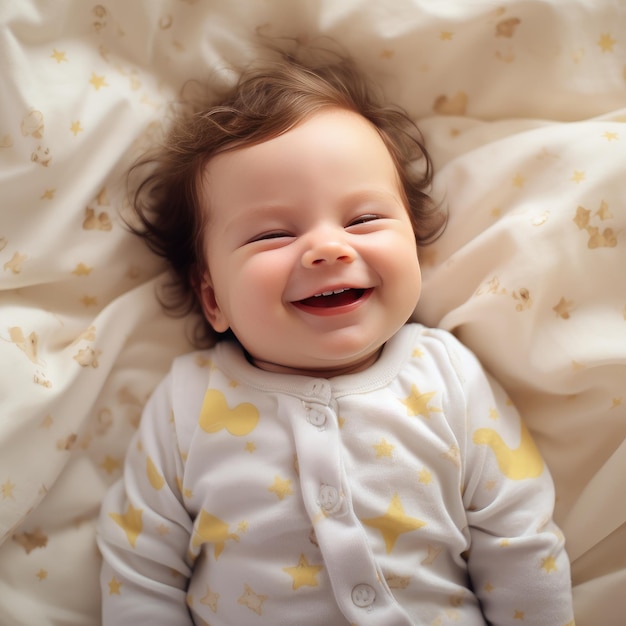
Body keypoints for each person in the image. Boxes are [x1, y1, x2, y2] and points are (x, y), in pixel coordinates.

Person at [96, 48, 575, 625]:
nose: (329, 247)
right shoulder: (187, 402)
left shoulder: (448, 375)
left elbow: (521, 540)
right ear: (214, 297)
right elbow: (138, 566)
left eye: (362, 220)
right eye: (272, 234)